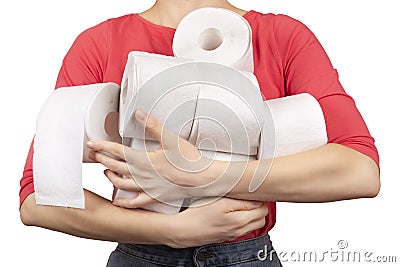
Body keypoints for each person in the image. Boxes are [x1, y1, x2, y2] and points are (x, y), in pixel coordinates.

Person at [19, 0, 380, 266]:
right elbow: (38, 199)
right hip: (140, 256)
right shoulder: (100, 43)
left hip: (246, 256)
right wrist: (170, 231)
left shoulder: (281, 37)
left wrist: (201, 172)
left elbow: (360, 171)